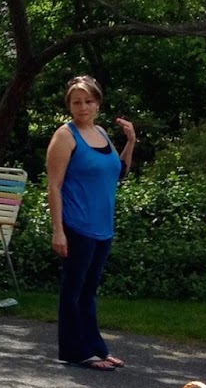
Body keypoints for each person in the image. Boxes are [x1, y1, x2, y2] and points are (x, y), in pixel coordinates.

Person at [45, 74, 137, 371]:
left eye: (88, 101)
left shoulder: (101, 132)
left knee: (88, 292)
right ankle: (75, 351)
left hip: (103, 228)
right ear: (69, 105)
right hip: (77, 225)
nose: (82, 107)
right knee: (73, 291)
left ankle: (96, 348)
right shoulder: (65, 136)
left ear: (98, 103)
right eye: (76, 102)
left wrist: (131, 142)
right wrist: (58, 230)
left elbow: (118, 172)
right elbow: (54, 186)